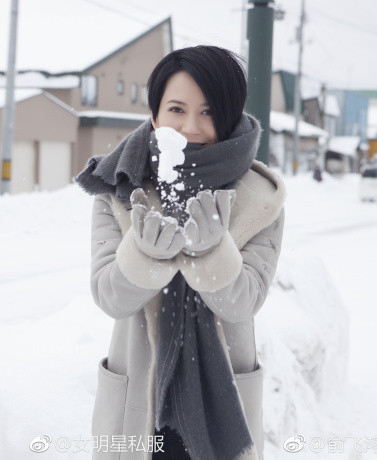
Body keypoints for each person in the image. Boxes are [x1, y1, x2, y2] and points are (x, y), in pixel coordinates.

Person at [75, 45, 286, 460]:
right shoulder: (118, 188)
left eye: (208, 112)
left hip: (221, 407)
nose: (190, 126)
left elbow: (244, 301)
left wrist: (210, 253)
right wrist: (146, 256)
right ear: (155, 115)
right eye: (176, 109)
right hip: (138, 405)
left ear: (229, 117)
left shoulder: (259, 199)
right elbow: (110, 296)